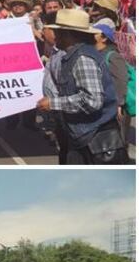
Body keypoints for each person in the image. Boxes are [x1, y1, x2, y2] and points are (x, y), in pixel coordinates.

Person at [38, 9, 125, 164]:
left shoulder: (83, 58)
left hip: (94, 138)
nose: (55, 35)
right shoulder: (73, 56)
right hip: (83, 136)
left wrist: (53, 103)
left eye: (59, 31)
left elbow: (92, 100)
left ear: (70, 35)